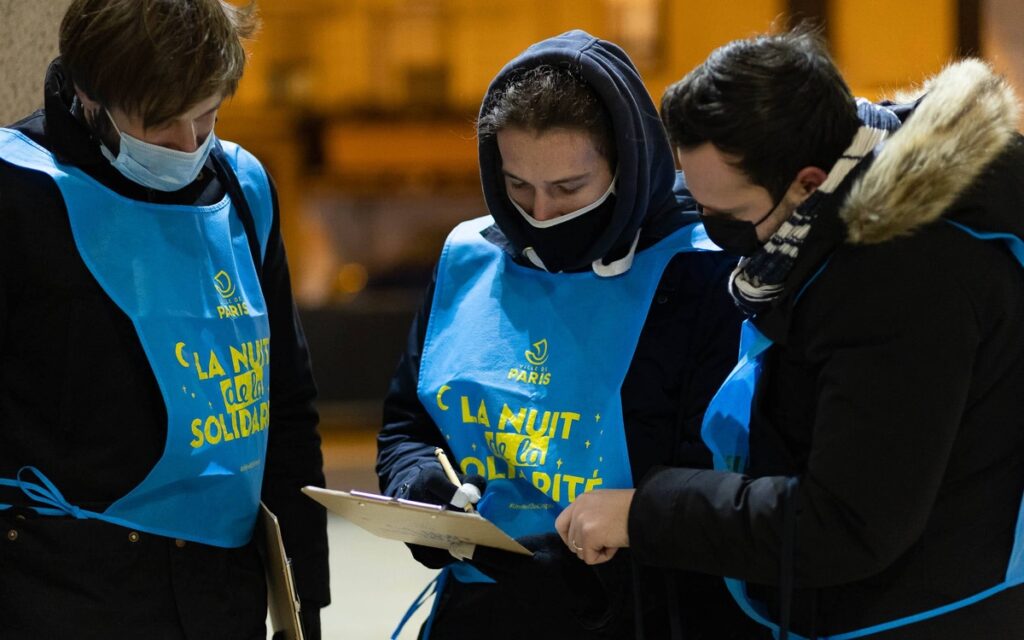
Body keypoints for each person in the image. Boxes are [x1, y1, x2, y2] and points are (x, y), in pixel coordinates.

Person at [556, 27, 1024, 639]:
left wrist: (647, 512)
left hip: (922, 615)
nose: (715, 233)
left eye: (729, 215)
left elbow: (846, 522)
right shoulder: (840, 209)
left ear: (807, 183)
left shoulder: (902, 277)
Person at [376, 30, 765, 639]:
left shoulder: (699, 268)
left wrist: (596, 563)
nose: (541, 215)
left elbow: (716, 479)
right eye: (517, 186)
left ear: (627, 165)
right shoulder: (468, 259)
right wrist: (416, 484)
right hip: (481, 613)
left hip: (643, 614)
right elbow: (408, 423)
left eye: (568, 190)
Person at [0, 1, 328, 638]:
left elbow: (286, 405)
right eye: (159, 125)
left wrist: (304, 596)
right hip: (58, 589)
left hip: (219, 592)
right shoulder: (18, 189)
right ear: (91, 96)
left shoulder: (241, 185)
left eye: (205, 117)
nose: (188, 146)